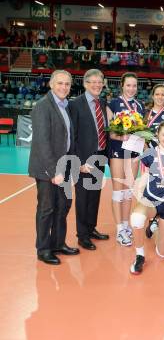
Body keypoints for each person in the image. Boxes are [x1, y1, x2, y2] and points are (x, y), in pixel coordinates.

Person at [28, 70, 79, 265]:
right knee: (47, 209)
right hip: (47, 169)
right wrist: (53, 171)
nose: (63, 87)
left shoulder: (65, 106)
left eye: (67, 84)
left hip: (65, 166)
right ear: (51, 84)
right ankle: (43, 249)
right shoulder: (43, 106)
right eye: (60, 83)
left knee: (63, 206)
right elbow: (42, 142)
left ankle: (58, 243)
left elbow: (68, 139)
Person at [129, 121, 164, 275]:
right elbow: (141, 170)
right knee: (136, 218)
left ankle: (154, 228)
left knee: (163, 253)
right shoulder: (150, 153)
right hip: (151, 199)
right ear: (158, 135)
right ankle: (139, 256)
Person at [69, 69, 109, 251]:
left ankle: (91, 229)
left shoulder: (102, 101)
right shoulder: (75, 104)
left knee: (94, 196)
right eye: (93, 82)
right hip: (84, 160)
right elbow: (72, 136)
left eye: (99, 82)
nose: (96, 85)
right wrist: (78, 162)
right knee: (83, 198)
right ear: (85, 84)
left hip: (99, 156)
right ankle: (82, 235)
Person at [106, 72, 145, 247]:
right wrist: (121, 137)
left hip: (134, 152)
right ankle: (119, 228)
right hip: (117, 150)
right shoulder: (113, 103)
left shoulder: (140, 106)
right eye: (128, 85)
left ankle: (127, 224)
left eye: (134, 85)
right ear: (122, 85)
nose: (131, 88)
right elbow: (110, 131)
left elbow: (142, 130)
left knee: (129, 190)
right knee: (118, 189)